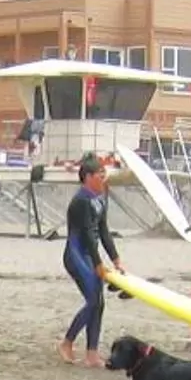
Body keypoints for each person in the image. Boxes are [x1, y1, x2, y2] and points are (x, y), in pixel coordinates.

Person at [60, 155, 123, 367]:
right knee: (94, 301)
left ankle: (92, 354)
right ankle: (67, 343)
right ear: (87, 177)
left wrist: (116, 259)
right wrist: (98, 264)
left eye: (104, 174)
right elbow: (87, 234)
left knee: (99, 303)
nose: (103, 178)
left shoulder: (101, 197)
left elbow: (103, 231)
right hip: (76, 255)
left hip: (89, 255)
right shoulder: (80, 201)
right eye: (100, 175)